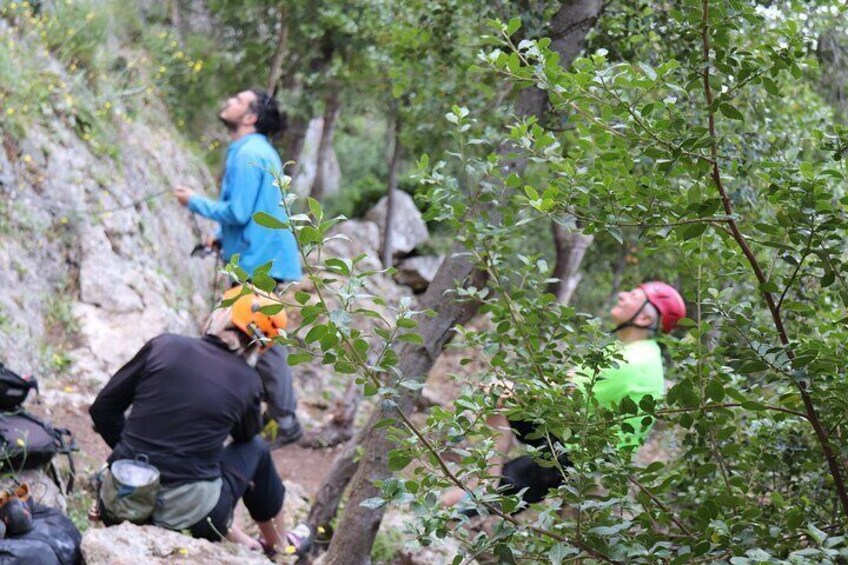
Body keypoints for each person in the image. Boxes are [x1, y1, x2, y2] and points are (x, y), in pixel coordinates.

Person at [89, 287, 311, 556]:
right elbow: (245, 437)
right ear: (263, 347)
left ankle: (243, 537)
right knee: (256, 450)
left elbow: (103, 409)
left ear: (224, 315)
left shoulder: (164, 346)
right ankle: (280, 549)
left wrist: (132, 456)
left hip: (122, 499)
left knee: (199, 454)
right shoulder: (248, 381)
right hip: (197, 518)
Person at [443, 281, 686, 512]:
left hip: (574, 454)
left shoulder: (631, 361)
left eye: (633, 297)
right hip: (586, 456)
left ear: (643, 318)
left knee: (496, 391)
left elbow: (555, 393)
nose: (623, 295)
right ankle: (466, 500)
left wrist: (508, 387)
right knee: (505, 492)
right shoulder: (640, 353)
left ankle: (486, 480)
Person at [174, 89, 304, 447]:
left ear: (249, 118)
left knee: (261, 338)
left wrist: (193, 202)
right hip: (259, 255)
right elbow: (250, 211)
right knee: (255, 334)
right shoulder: (257, 151)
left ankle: (283, 418)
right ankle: (269, 414)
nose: (228, 100)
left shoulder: (248, 154)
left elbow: (238, 211)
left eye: (237, 100)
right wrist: (220, 237)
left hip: (258, 262)